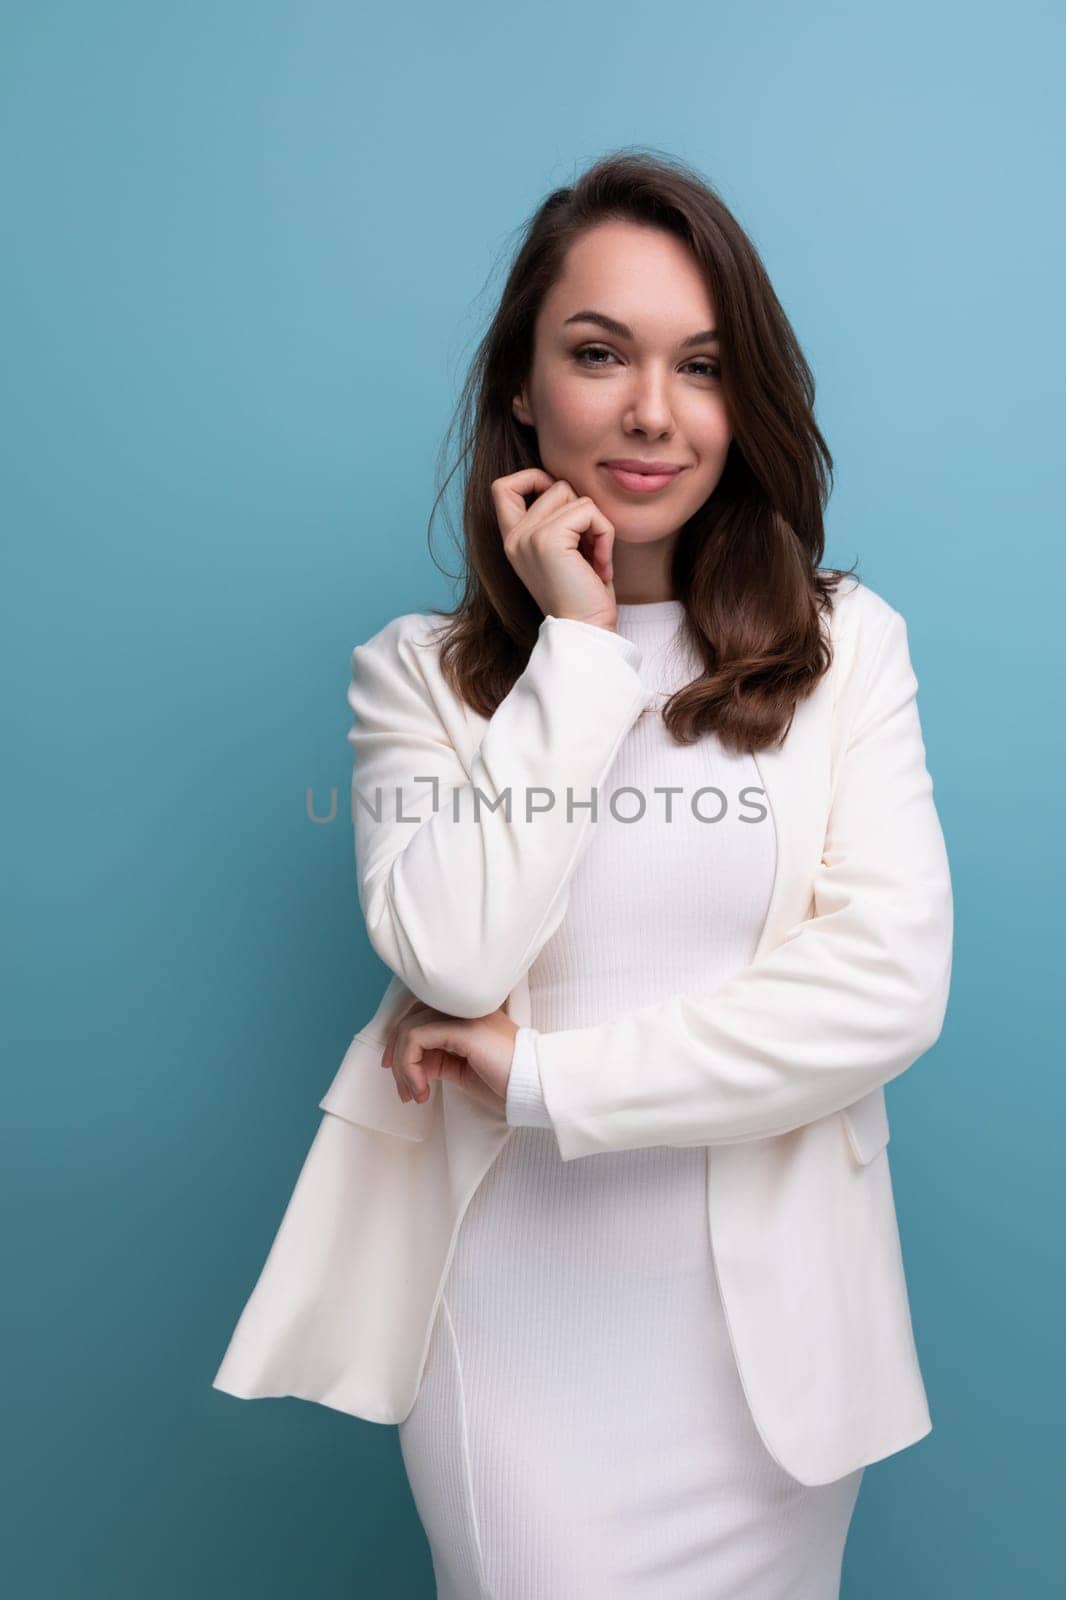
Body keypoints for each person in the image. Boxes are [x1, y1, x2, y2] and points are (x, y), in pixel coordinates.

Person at [213, 150, 953, 1599]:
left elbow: (883, 990)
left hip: (770, 1369)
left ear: (743, 406)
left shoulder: (845, 645)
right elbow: (454, 956)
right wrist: (579, 645)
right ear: (520, 386)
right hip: (516, 1331)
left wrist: (551, 1082)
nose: (650, 412)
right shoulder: (419, 678)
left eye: (700, 365)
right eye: (598, 354)